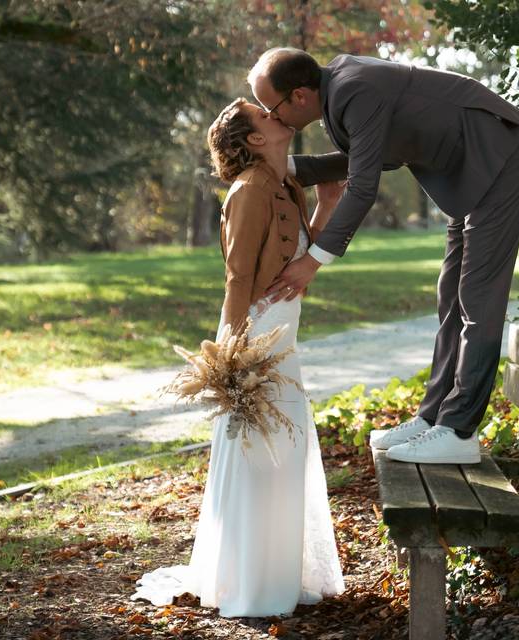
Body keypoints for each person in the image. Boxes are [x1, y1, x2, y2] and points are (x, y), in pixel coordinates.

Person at [247, 49, 519, 465]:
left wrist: (312, 261)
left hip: (497, 158)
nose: (269, 117)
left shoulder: (352, 89)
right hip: (469, 170)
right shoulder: (340, 89)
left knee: (478, 297)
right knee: (450, 296)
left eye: (268, 107)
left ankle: (458, 431)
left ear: (297, 96)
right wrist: (288, 167)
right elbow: (366, 157)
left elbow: (362, 185)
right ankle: (434, 416)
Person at [130, 98, 346, 617]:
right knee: (259, 454)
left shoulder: (282, 183)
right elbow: (238, 279)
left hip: (284, 341)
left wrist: (328, 201)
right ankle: (250, 582)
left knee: (284, 455)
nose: (277, 114)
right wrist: (230, 359)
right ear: (254, 140)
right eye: (264, 114)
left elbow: (295, 256)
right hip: (257, 342)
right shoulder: (247, 193)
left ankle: (279, 572)